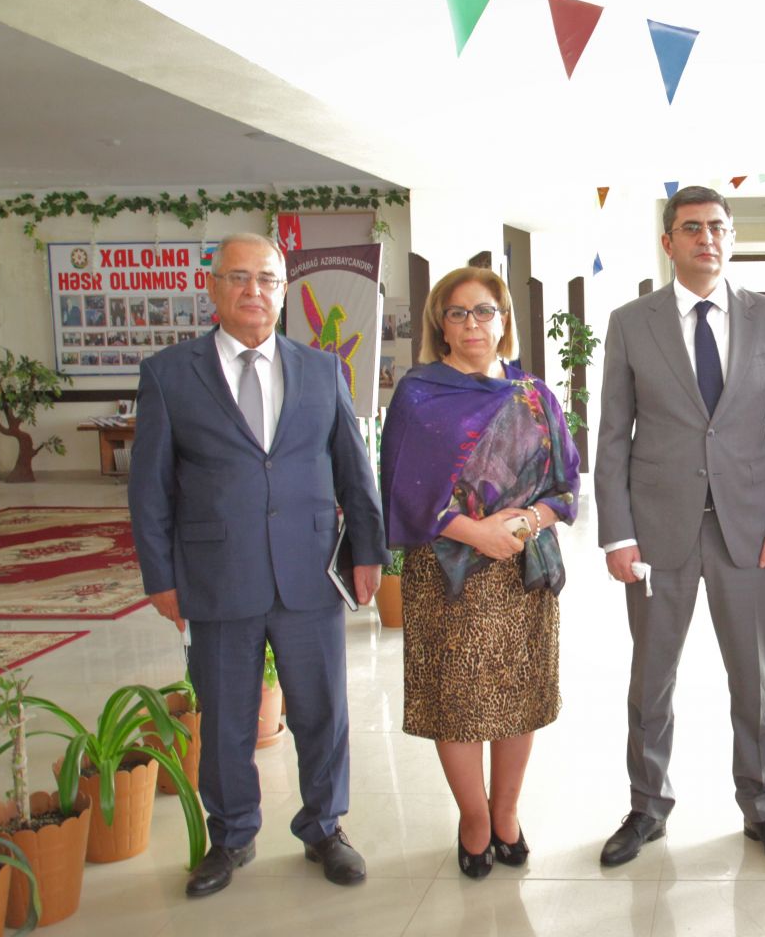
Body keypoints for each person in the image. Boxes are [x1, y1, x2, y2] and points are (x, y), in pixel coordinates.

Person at [128, 231, 387, 897]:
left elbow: (354, 469)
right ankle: (232, 834)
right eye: (238, 277)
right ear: (212, 287)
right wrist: (159, 576)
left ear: (283, 290)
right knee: (225, 717)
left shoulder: (321, 369)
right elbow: (149, 487)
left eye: (267, 279)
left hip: (309, 573)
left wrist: (368, 551)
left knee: (322, 711)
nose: (254, 291)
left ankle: (324, 827)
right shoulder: (169, 374)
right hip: (217, 577)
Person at [593, 185, 765, 866]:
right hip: (658, 532)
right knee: (652, 676)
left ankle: (763, 803)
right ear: (669, 242)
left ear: (731, 237)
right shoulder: (632, 323)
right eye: (691, 228)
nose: (706, 238)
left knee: (754, 678)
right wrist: (618, 534)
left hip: (748, 530)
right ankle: (647, 804)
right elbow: (613, 436)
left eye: (717, 226)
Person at [379, 267, 579, 879]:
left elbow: (565, 486)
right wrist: (476, 532)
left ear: (504, 319)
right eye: (459, 312)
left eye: (485, 310)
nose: (473, 324)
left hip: (522, 572)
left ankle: (506, 813)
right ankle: (473, 819)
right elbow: (401, 491)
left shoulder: (534, 395)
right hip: (448, 573)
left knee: (519, 694)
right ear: (440, 324)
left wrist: (526, 523)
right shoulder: (418, 395)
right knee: (458, 701)